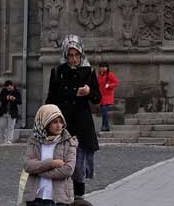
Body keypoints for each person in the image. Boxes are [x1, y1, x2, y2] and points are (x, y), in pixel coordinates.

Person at [45, 36, 101, 204]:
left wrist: (89, 91)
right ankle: (62, 196)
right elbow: (51, 98)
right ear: (65, 55)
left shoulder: (88, 71)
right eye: (70, 55)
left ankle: (78, 197)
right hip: (63, 122)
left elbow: (97, 97)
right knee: (63, 162)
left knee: (79, 163)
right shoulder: (58, 72)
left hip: (82, 123)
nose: (74, 59)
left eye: (77, 55)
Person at [23, 103, 77, 205]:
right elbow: (28, 165)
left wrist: (39, 172)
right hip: (36, 197)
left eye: (61, 122)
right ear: (45, 123)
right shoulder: (34, 141)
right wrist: (51, 163)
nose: (59, 125)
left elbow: (68, 170)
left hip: (59, 199)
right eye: (55, 122)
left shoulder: (69, 142)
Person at [0, 78, 22, 145]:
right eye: (7, 88)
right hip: (4, 111)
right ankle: (4, 139)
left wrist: (14, 99)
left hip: (12, 112)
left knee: (11, 127)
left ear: (12, 86)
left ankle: (9, 140)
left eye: (9, 88)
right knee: (2, 126)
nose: (8, 89)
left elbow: (20, 102)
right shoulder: (4, 90)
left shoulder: (16, 91)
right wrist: (6, 98)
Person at [96, 62, 118, 133]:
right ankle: (104, 126)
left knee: (104, 110)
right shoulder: (99, 76)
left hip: (108, 96)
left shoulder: (110, 74)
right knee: (103, 111)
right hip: (102, 96)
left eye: (104, 67)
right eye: (101, 67)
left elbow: (116, 82)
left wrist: (109, 85)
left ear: (107, 68)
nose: (102, 68)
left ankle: (106, 126)